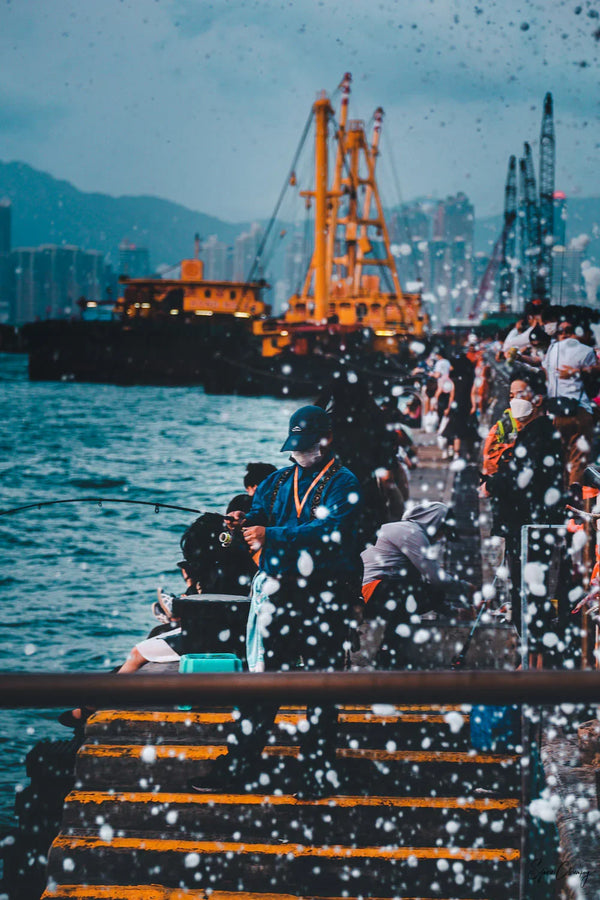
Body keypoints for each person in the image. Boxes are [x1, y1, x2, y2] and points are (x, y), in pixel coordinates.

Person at [190, 404, 363, 798]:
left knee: (321, 687)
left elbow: (332, 531)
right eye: (295, 446)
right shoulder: (277, 481)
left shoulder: (345, 482)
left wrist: (272, 535)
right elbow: (258, 517)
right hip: (281, 596)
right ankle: (239, 765)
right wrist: (240, 524)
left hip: (326, 597)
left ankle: (317, 771)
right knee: (264, 684)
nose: (299, 452)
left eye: (306, 444)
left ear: (327, 439)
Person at [487, 373, 566, 651]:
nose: (514, 401)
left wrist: (492, 485)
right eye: (511, 395)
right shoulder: (530, 433)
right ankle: (534, 657)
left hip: (530, 524)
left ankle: (535, 658)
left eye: (519, 394)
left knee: (529, 594)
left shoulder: (540, 434)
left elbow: (524, 478)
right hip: (525, 524)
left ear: (538, 398)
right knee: (526, 592)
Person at [359, 502, 473, 668]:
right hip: (373, 591)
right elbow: (437, 578)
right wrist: (467, 589)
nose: (441, 538)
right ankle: (387, 653)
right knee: (414, 596)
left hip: (378, 593)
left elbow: (421, 584)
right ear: (435, 522)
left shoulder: (407, 532)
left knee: (417, 596)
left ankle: (390, 652)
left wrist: (454, 612)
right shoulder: (412, 533)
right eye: (443, 532)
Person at [542, 320, 598, 491]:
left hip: (555, 411)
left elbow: (545, 372)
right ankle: (574, 500)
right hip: (579, 411)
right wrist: (578, 371)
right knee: (578, 461)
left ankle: (561, 496)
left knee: (560, 459)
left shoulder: (553, 349)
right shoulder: (586, 351)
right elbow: (594, 379)